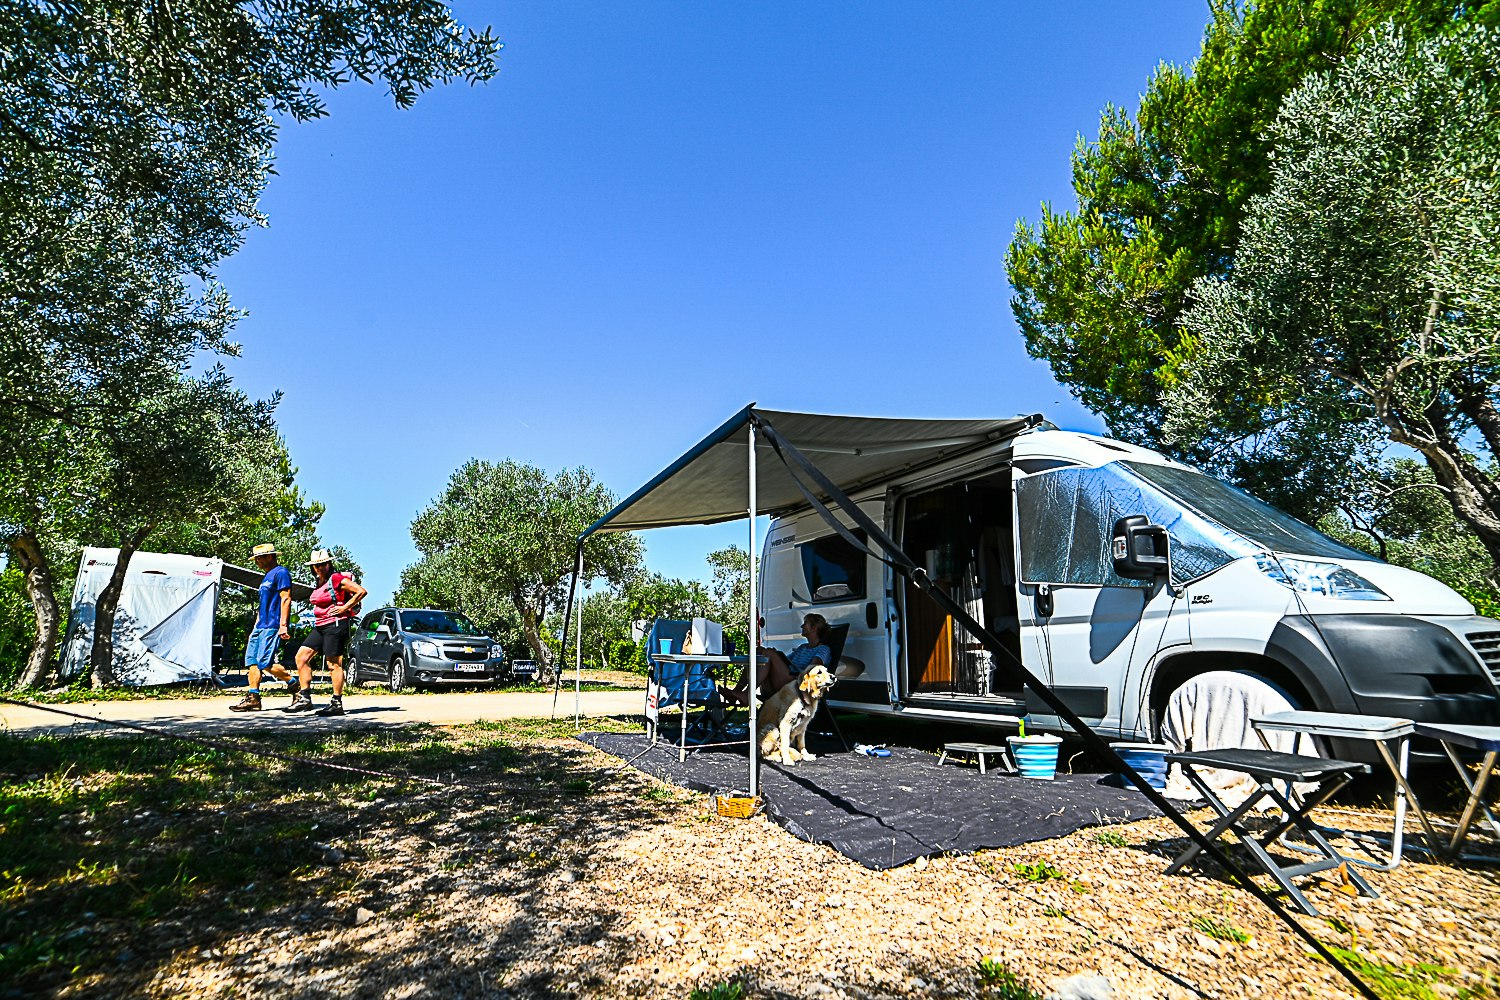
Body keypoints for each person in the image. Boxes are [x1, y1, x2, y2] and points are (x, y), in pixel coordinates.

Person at [286, 549, 367, 716]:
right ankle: (305, 699)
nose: (320, 567)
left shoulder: (336, 578)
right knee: (301, 657)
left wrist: (344, 608)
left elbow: (361, 591)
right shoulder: (319, 581)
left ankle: (337, 703)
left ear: (329, 564)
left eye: (323, 564)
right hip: (320, 626)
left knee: (333, 664)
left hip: (336, 625)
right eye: (316, 565)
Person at [229, 543, 299, 712]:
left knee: (265, 663)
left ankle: (296, 686)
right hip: (260, 626)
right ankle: (253, 698)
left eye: (259, 558)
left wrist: (283, 626)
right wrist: (256, 625)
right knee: (252, 661)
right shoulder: (266, 576)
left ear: (270, 557)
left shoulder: (281, 572)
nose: (257, 562)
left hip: (272, 625)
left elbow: (286, 599)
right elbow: (263, 604)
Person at [722, 612, 832, 707]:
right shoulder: (802, 647)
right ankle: (737, 691)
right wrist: (777, 656)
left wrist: (772, 655)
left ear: (814, 628)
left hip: (797, 685)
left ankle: (747, 694)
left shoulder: (823, 649)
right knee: (759, 651)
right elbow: (786, 662)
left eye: (805, 624)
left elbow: (813, 670)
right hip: (784, 680)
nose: (802, 626)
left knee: (769, 653)